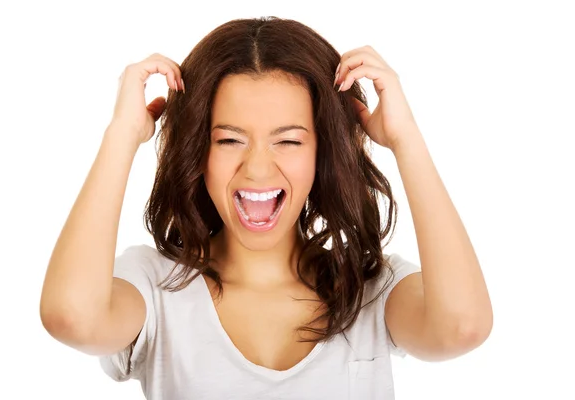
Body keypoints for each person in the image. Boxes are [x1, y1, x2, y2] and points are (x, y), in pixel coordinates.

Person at [39, 16, 493, 400]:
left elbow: (462, 327)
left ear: (323, 152)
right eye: (229, 140)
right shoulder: (157, 288)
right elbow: (72, 317)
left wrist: (405, 139)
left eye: (289, 140)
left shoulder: (369, 290)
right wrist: (122, 134)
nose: (257, 168)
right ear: (199, 151)